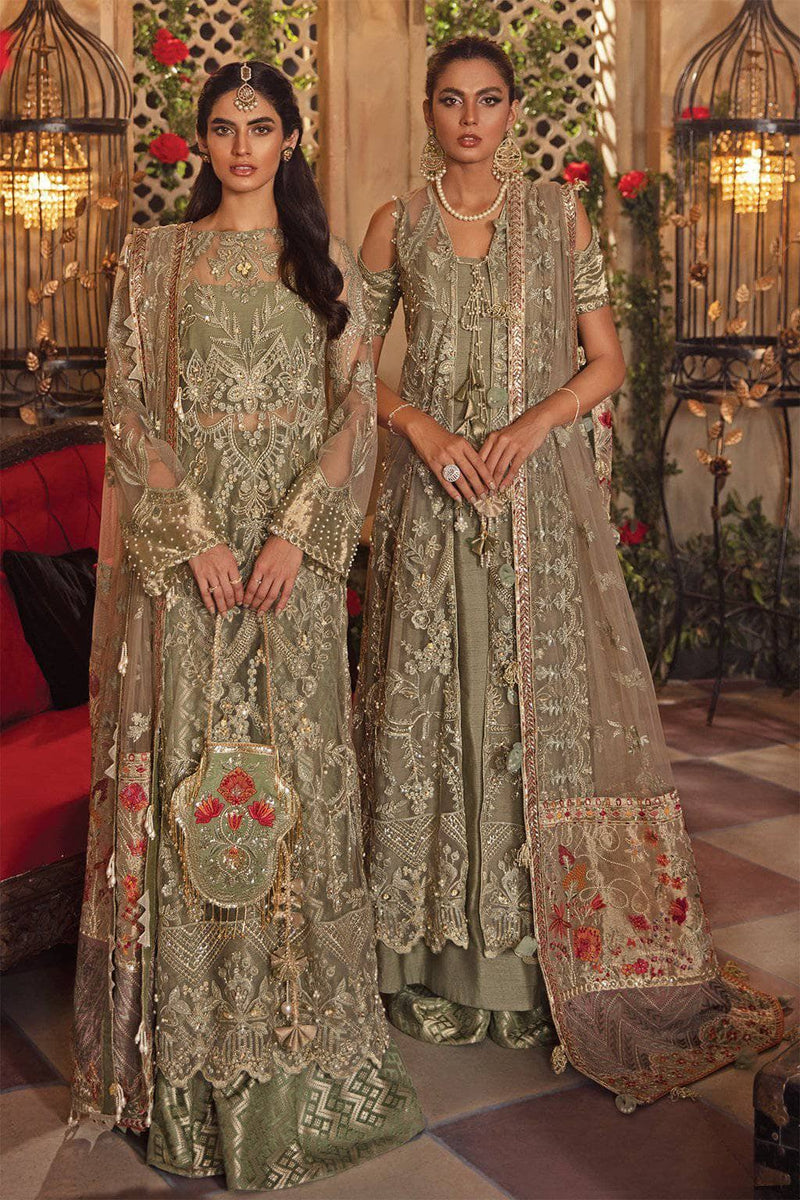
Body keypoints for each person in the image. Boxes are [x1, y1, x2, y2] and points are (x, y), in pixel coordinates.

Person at [354, 35, 783, 1108]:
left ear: (513, 111)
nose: (469, 119)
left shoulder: (558, 217)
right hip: (430, 506)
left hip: (531, 506)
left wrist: (531, 423)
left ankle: (535, 959)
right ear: (427, 111)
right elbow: (350, 366)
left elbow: (606, 360)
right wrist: (418, 426)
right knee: (434, 715)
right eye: (450, 100)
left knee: (529, 718)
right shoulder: (396, 224)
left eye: (488, 100)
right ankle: (428, 959)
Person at [71, 61, 423, 1189]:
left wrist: (295, 538)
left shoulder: (329, 270)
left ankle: (297, 1049)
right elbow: (128, 408)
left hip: (290, 580)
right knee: (191, 787)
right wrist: (194, 538)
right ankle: (189, 1068)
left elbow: (353, 414)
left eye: (259, 127)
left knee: (294, 790)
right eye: (221, 127)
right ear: (202, 141)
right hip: (187, 578)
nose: (239, 146)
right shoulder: (157, 261)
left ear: (289, 140)